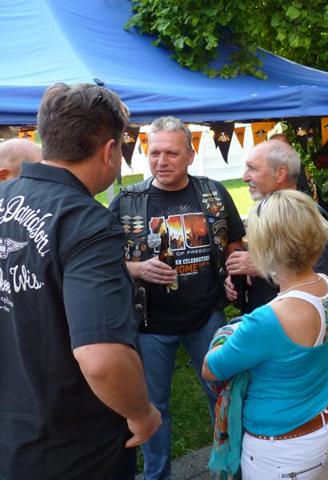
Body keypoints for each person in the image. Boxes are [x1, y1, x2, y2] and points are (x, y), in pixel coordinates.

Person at [0, 83, 161, 480]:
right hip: (75, 450)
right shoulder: (86, 222)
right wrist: (141, 413)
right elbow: (101, 358)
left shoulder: (4, 198)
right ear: (110, 151)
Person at [109, 116, 245, 480]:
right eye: (154, 153)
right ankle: (157, 475)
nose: (161, 161)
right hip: (150, 324)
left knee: (221, 394)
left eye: (171, 153)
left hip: (207, 317)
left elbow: (234, 242)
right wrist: (137, 269)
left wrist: (233, 272)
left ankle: (231, 468)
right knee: (155, 406)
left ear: (190, 154)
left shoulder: (213, 192)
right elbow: (102, 259)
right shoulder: (127, 201)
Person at [203, 189, 328, 479]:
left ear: (266, 245)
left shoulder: (267, 320)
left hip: (283, 448)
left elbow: (211, 368)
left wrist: (228, 332)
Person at [225, 139, 328, 313]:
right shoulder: (263, 211)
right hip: (267, 317)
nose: (245, 177)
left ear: (280, 173)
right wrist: (240, 278)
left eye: (253, 168)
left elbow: (321, 276)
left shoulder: (308, 215)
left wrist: (261, 268)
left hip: (295, 320)